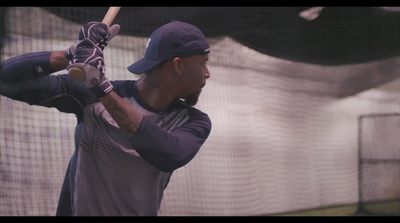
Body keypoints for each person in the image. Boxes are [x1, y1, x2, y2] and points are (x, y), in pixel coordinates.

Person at [0, 20, 212, 216]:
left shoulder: (193, 121)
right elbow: (5, 79)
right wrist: (72, 53)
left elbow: (169, 155)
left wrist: (102, 88)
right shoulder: (90, 95)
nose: (207, 73)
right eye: (203, 62)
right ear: (178, 65)